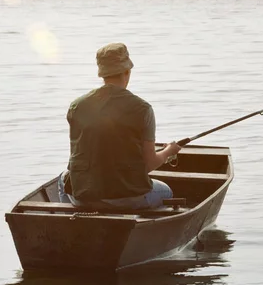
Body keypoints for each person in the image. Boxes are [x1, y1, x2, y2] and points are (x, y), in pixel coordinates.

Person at [57, 42, 181, 210]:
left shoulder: (76, 106)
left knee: (62, 179)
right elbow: (150, 164)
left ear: (102, 73)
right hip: (127, 198)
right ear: (127, 71)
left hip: (83, 197)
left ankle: (75, 222)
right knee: (166, 191)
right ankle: (138, 226)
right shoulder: (143, 109)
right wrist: (168, 152)